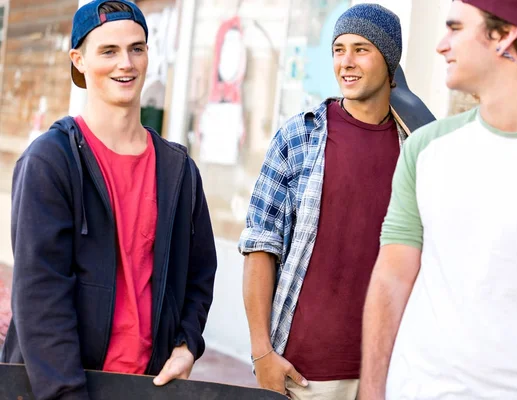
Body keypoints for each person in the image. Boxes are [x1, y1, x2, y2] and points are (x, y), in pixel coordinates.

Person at [359, 0, 517, 399]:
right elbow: (391, 278)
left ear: (504, 36)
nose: (441, 44)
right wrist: (371, 392)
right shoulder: (425, 148)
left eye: (455, 27)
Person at [0, 1, 217, 399]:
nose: (126, 63)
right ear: (78, 60)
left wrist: (187, 345)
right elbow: (41, 296)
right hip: (60, 387)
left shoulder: (178, 170)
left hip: (147, 386)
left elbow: (200, 274)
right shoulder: (52, 161)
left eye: (137, 48)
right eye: (109, 51)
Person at [239, 4, 411, 399]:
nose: (346, 63)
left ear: (389, 61)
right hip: (303, 376)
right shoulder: (298, 139)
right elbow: (260, 246)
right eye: (338, 49)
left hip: (387, 375)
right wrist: (262, 352)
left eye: (361, 50)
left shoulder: (413, 151)